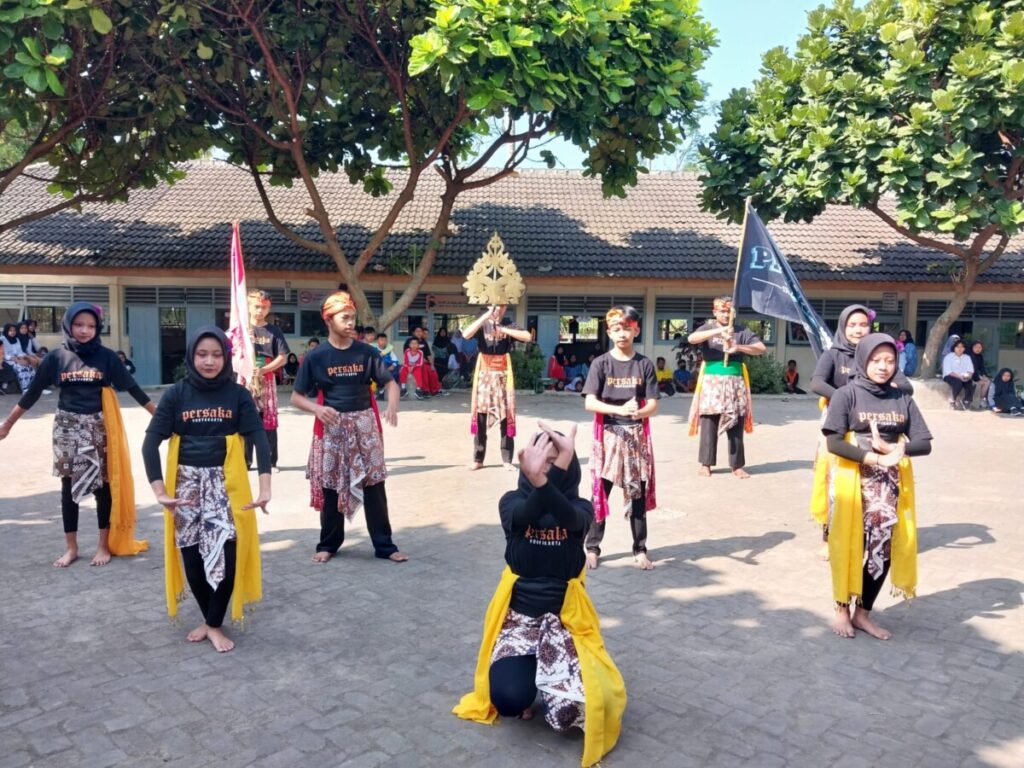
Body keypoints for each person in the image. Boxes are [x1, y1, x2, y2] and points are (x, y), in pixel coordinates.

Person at [452, 424, 626, 768]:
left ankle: (546, 682)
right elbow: (525, 514)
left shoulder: (581, 507)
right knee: (509, 700)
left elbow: (570, 520)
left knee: (587, 708)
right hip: (519, 622)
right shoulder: (511, 502)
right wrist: (543, 477)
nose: (544, 469)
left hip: (566, 624)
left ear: (568, 466)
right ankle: (532, 677)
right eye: (540, 461)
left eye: (555, 461)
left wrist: (547, 476)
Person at [141, 327, 271, 653]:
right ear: (191, 356)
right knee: (192, 560)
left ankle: (212, 624)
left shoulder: (237, 395)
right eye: (202, 354)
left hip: (226, 486)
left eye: (216, 355)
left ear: (226, 357)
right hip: (185, 487)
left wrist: (265, 488)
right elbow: (149, 444)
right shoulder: (176, 394)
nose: (209, 361)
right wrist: (159, 492)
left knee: (229, 557)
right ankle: (212, 621)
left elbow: (259, 439)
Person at [0, 302, 154, 567]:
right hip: (66, 429)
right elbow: (32, 393)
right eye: (79, 325)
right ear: (68, 325)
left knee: (102, 486)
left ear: (98, 328)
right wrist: (8, 424)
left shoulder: (106, 357)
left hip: (98, 428)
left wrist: (161, 418)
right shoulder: (56, 358)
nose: (85, 330)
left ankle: (103, 545)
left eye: (91, 326)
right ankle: (71, 548)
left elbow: (135, 390)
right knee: (68, 487)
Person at [822, 334, 932, 640]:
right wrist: (874, 457)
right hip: (852, 479)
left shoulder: (902, 398)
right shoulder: (846, 395)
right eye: (876, 360)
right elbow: (833, 442)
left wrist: (896, 449)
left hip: (889, 484)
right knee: (849, 544)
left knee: (881, 547)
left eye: (890, 360)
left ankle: (863, 613)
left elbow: (924, 442)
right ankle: (841, 608)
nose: (883, 366)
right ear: (863, 360)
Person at [291, 291, 407, 563]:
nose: (351, 322)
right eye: (344, 318)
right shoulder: (316, 356)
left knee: (374, 485)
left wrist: (392, 405)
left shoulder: (366, 352)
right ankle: (328, 544)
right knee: (331, 487)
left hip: (365, 426)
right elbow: (296, 397)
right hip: (332, 428)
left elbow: (390, 383)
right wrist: (317, 409)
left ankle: (385, 546)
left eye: (352, 317)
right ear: (328, 320)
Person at [809, 305, 913, 559]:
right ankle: (829, 537)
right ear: (843, 327)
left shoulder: (878, 355)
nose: (858, 330)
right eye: (852, 325)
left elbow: (906, 386)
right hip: (839, 424)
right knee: (834, 483)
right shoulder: (833, 354)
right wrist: (846, 398)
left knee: (874, 484)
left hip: (873, 427)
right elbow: (817, 382)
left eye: (863, 325)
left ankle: (874, 534)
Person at [583, 306, 659, 570]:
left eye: (627, 328)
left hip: (636, 438)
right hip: (608, 436)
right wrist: (619, 410)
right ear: (609, 332)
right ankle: (592, 548)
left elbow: (653, 404)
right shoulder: (601, 364)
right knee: (600, 494)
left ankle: (640, 549)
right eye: (617, 329)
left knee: (637, 496)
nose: (622, 334)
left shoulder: (644, 364)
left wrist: (638, 412)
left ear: (636, 330)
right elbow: (590, 402)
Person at [686, 297, 765, 479]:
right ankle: (706, 464)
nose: (726, 315)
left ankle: (737, 465)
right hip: (711, 381)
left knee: (736, 422)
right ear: (715, 312)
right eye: (722, 311)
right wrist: (720, 331)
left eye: (729, 312)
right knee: (709, 422)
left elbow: (760, 348)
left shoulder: (742, 331)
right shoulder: (707, 328)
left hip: (735, 382)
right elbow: (692, 338)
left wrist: (737, 347)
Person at [462, 305, 532, 470]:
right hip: (484, 373)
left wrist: (503, 330)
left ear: (505, 307)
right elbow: (466, 334)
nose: (497, 308)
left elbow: (527, 336)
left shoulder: (509, 324)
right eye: (493, 305)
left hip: (503, 375)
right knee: (480, 415)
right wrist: (485, 316)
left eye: (501, 305)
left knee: (506, 416)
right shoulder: (482, 323)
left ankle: (507, 460)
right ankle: (478, 459)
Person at [244, 290, 289, 471]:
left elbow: (283, 357)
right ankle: (245, 462)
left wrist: (264, 369)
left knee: (268, 420)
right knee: (245, 418)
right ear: (248, 306)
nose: (259, 310)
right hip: (245, 379)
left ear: (268, 308)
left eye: (263, 307)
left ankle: (270, 462)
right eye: (256, 306)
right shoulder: (241, 329)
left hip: (267, 379)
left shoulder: (274, 331)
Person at [2, 322, 38, 392]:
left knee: (29, 366)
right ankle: (25, 388)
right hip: (6, 361)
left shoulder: (16, 339)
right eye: (10, 330)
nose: (13, 332)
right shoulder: (2, 339)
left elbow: (19, 352)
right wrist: (18, 361)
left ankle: (34, 386)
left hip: (17, 359)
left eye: (14, 330)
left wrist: (23, 359)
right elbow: (5, 355)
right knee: (21, 368)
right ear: (6, 331)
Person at [942, 339, 974, 409]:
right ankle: (952, 400)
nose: (960, 349)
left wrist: (968, 376)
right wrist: (960, 377)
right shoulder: (948, 357)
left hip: (963, 376)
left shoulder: (967, 357)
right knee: (958, 383)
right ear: (954, 348)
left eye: (962, 347)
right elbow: (949, 371)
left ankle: (967, 401)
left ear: (964, 349)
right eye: (958, 347)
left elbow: (970, 370)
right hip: (950, 376)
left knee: (970, 383)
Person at [967, 340, 990, 409]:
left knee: (987, 381)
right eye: (976, 347)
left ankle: (982, 399)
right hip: (969, 375)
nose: (978, 349)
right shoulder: (969, 355)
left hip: (976, 375)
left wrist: (984, 375)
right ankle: (980, 400)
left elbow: (982, 367)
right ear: (972, 347)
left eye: (980, 347)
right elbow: (972, 369)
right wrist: (978, 378)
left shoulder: (980, 356)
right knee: (982, 383)